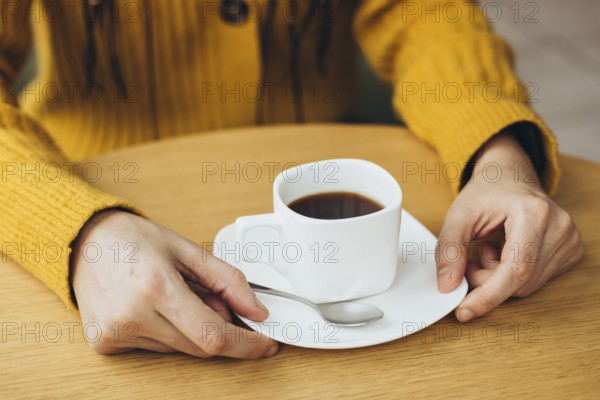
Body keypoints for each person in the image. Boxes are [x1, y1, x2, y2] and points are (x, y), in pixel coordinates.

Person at [0, 0, 583, 359]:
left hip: (331, 143)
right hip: (102, 200)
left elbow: (425, 11)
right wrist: (77, 229)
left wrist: (497, 152)